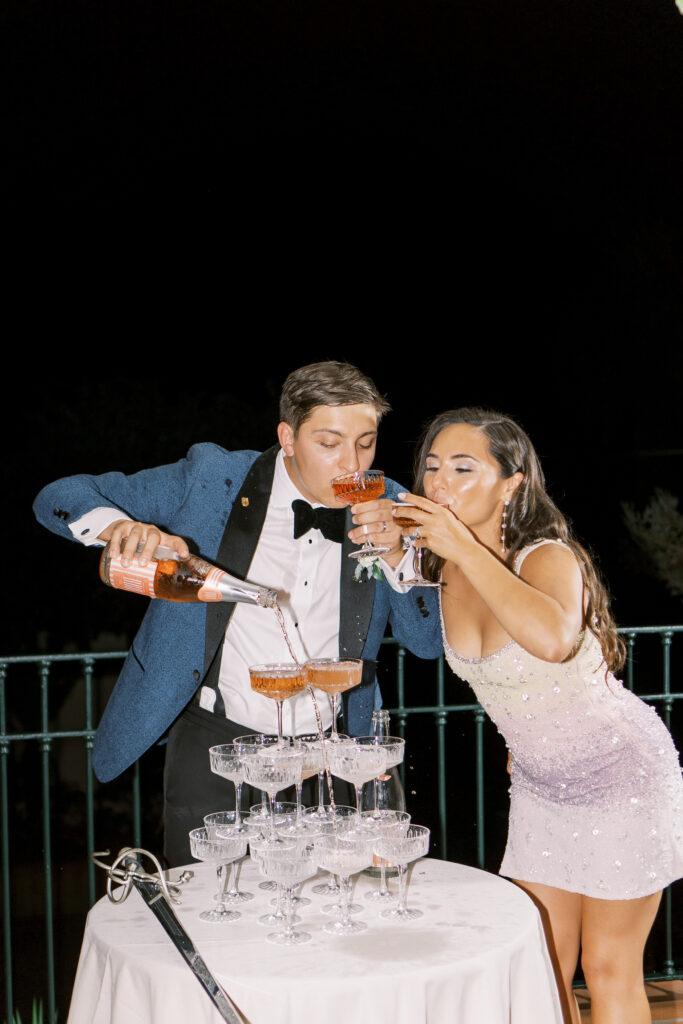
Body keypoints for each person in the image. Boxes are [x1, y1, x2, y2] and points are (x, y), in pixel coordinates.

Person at [33, 362, 441, 866]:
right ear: (287, 438)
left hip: (331, 755)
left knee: (324, 916)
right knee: (210, 911)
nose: (351, 465)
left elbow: (427, 641)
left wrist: (403, 555)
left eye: (365, 442)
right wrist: (120, 528)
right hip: (218, 751)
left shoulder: (390, 502)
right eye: (329, 443)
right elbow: (58, 497)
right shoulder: (214, 480)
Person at [395, 407, 683, 1024]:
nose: (440, 482)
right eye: (432, 467)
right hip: (541, 787)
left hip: (623, 777)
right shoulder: (439, 567)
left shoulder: (547, 556)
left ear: (512, 483)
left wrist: (465, 551)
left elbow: (552, 641)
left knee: (607, 968)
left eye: (464, 468)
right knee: (541, 963)